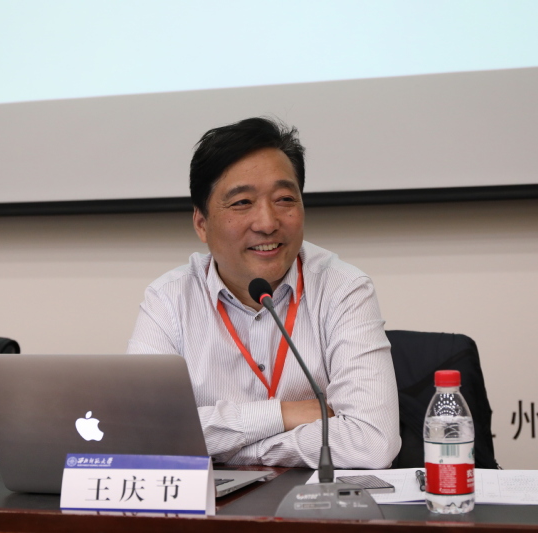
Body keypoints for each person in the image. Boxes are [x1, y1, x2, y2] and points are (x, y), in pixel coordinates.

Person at [128, 117, 400, 468]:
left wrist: (233, 449)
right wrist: (282, 415)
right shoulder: (169, 299)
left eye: (284, 199)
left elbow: (372, 442)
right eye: (242, 202)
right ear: (201, 223)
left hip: (312, 499)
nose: (268, 223)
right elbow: (142, 431)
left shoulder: (343, 289)